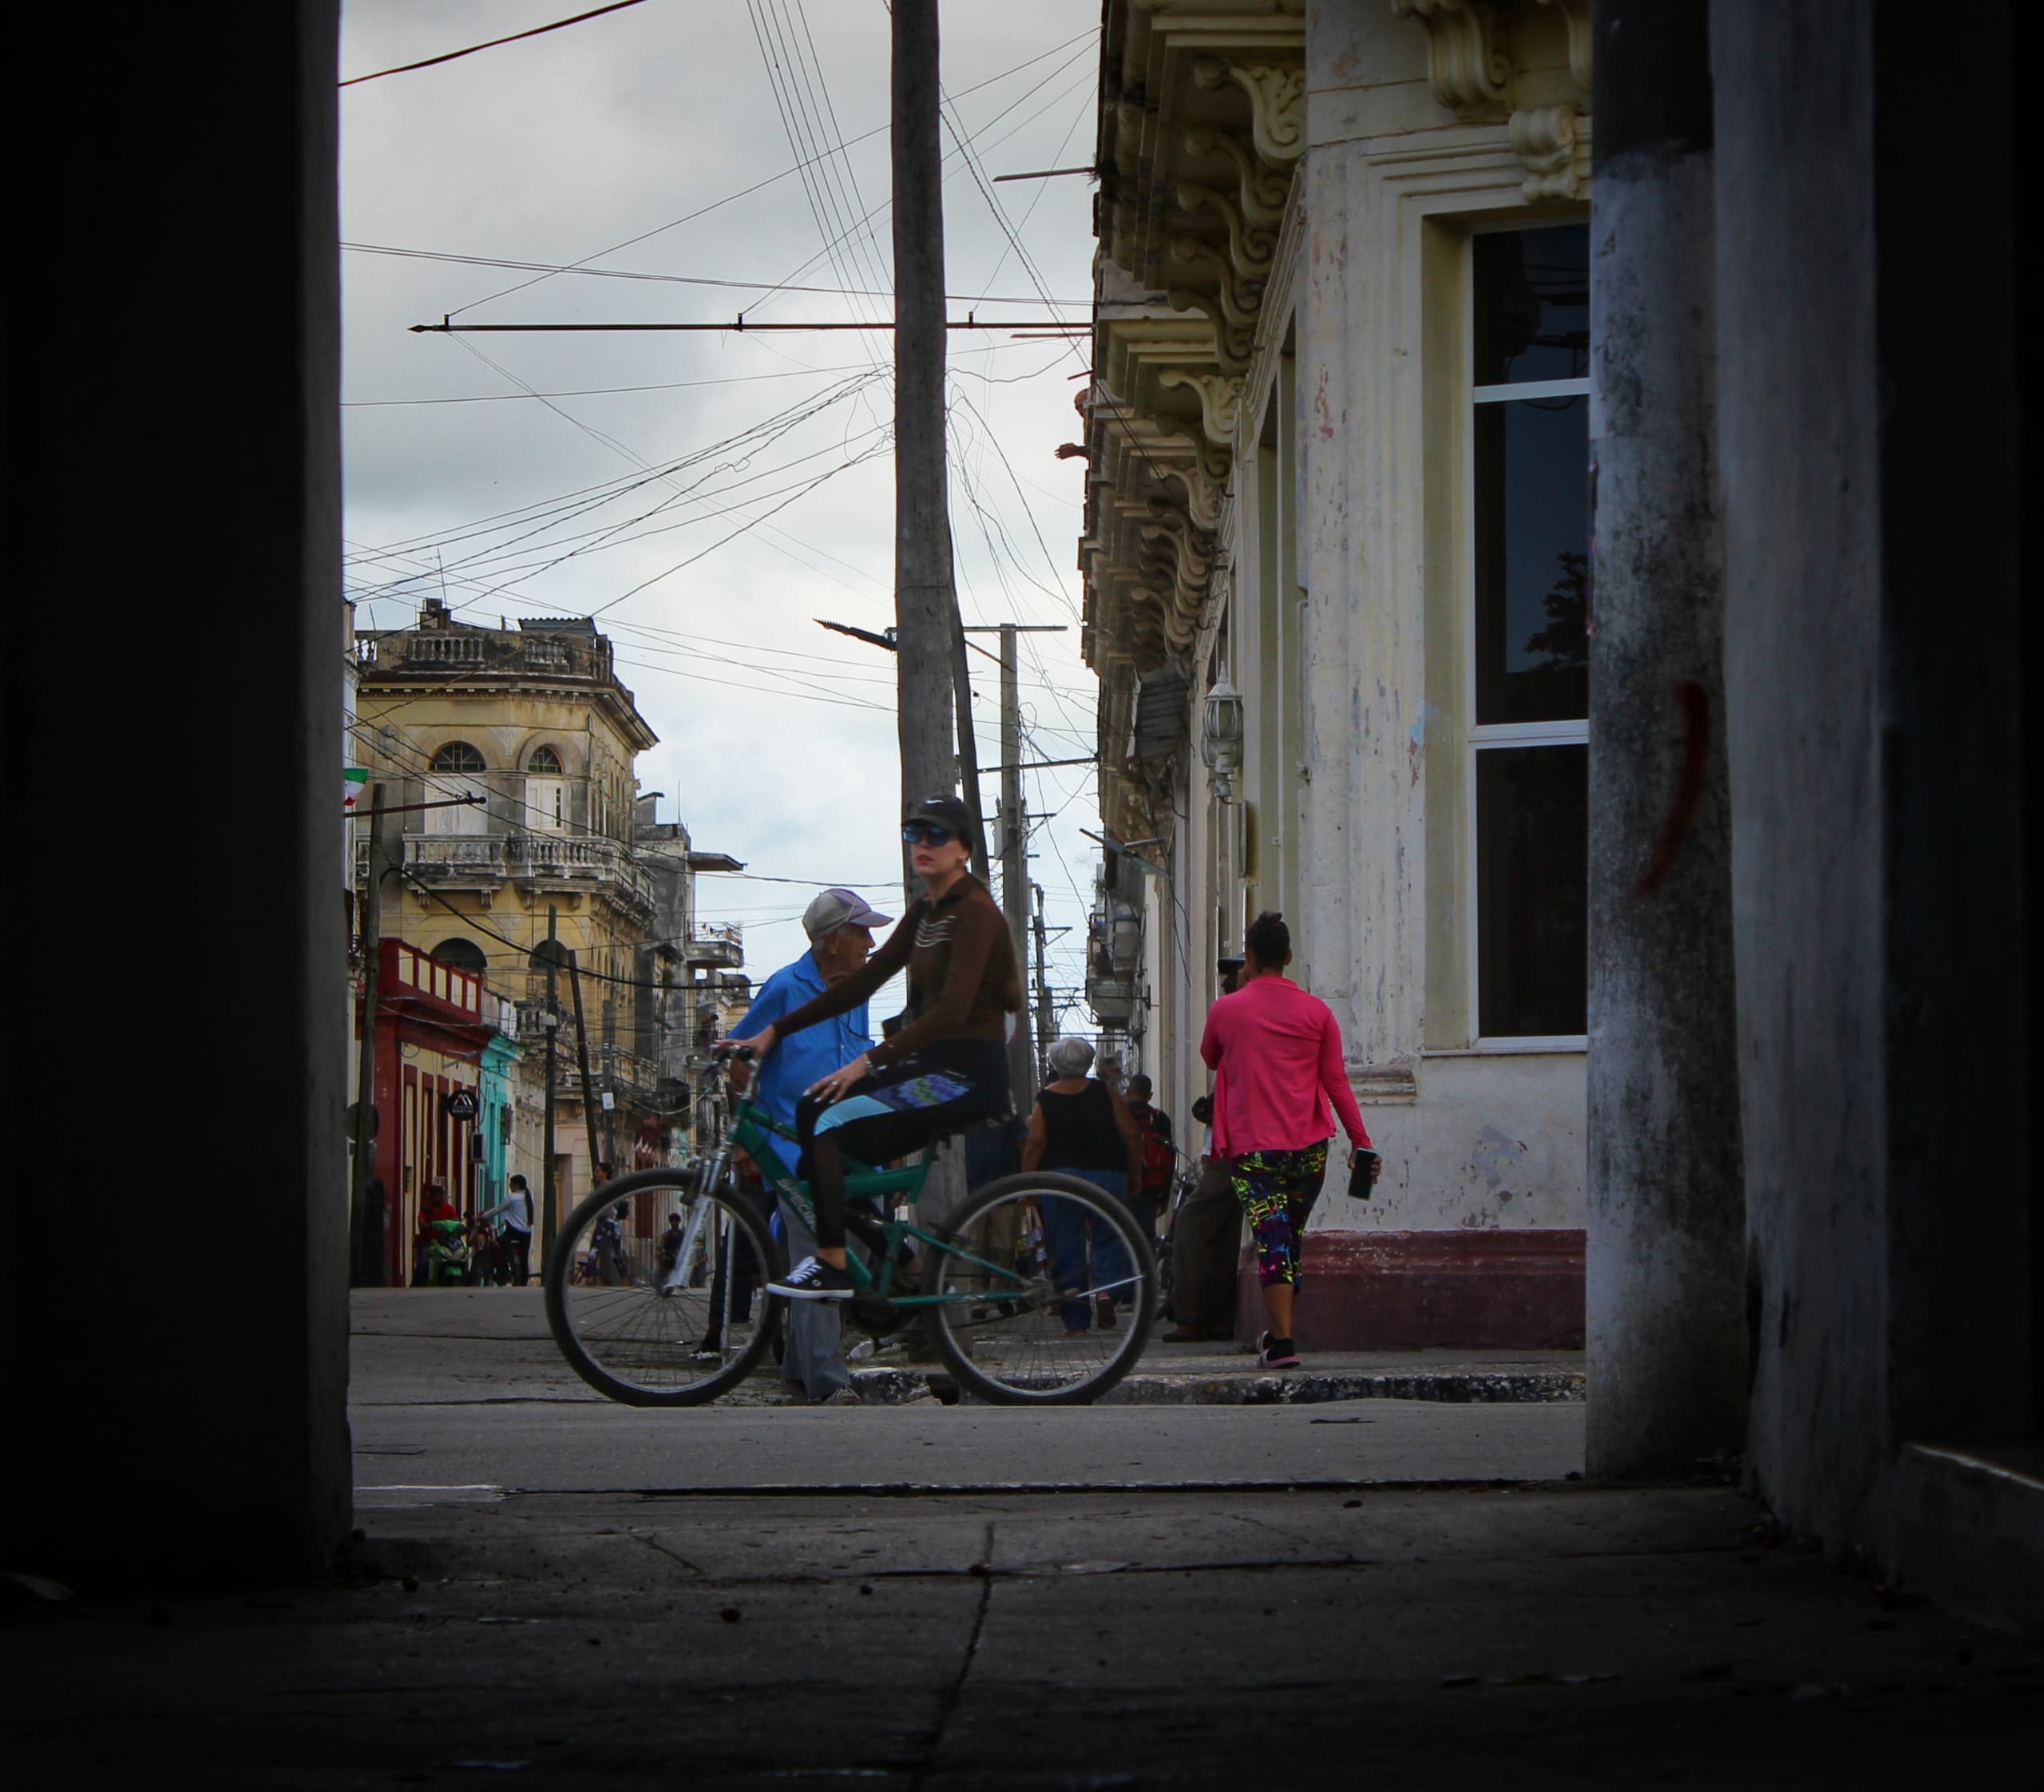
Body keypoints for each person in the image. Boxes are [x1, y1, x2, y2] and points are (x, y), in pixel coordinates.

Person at [725, 793, 1021, 1303]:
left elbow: (951, 1012)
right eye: (914, 834)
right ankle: (897, 1256)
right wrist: (774, 1031)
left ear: (964, 850)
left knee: (822, 1118)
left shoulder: (975, 913)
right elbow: (862, 983)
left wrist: (866, 1063)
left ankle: (834, 1262)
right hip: (928, 1069)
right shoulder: (927, 911)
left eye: (936, 836)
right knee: (813, 1157)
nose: (922, 845)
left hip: (962, 1078)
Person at [727, 885, 891, 1402]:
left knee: (855, 1249)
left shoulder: (857, 992)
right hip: (796, 1147)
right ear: (834, 939)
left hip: (850, 1141)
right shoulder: (785, 987)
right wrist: (755, 1128)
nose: (869, 941)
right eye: (861, 932)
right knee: (824, 1257)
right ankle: (828, 1382)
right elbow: (740, 1055)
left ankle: (801, 1369)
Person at [1199, 913, 1379, 1369]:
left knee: (1272, 1239)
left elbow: (1211, 1056)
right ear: (1290, 958)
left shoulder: (1227, 1009)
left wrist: (1237, 990)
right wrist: (1361, 1141)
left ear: (1251, 956)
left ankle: (1282, 1342)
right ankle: (1280, 1337)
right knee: (1288, 1240)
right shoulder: (1318, 1012)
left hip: (1254, 1150)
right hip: (1309, 1148)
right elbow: (1335, 1082)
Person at [1021, 1035, 1147, 1335]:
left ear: (1055, 1064)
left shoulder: (1046, 1098)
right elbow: (1131, 1134)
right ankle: (1106, 1293)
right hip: (1108, 1173)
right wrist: (1135, 1172)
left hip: (1061, 1178)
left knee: (1066, 1246)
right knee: (1110, 1235)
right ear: (1089, 1062)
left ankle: (1076, 1322)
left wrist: (1027, 1184)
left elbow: (1036, 1141)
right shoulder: (1106, 1093)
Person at [1163, 957, 1243, 1343]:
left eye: (1233, 979)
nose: (1226, 985)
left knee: (1192, 1228)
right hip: (1226, 1147)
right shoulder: (1235, 1025)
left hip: (1232, 1152)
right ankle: (1220, 1318)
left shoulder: (1235, 1019)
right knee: (1225, 1238)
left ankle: (1193, 1315)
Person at [1123, 1072, 1175, 1243]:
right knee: (1146, 1238)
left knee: (1122, 1237)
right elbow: (1170, 1156)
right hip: (1152, 1187)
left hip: (1124, 1184)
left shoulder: (1119, 1115)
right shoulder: (1161, 1119)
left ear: (1128, 1092)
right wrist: (1165, 1196)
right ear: (1150, 1095)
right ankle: (1147, 1268)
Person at [477, 1173, 534, 1287]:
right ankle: (524, 1282)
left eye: (511, 1184)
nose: (510, 1187)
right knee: (524, 1258)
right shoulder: (529, 1198)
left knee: (499, 1246)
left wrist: (483, 1217)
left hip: (513, 1232)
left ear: (517, 1185)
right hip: (527, 1233)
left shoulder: (512, 1198)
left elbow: (496, 1210)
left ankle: (501, 1273)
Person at [414, 1182, 459, 1287]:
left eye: (441, 1194)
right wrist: (425, 1224)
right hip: (430, 1242)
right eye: (437, 1194)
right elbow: (421, 1221)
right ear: (431, 1196)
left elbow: (455, 1221)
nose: (440, 1197)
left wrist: (459, 1226)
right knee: (423, 1263)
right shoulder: (426, 1209)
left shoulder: (449, 1208)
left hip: (446, 1242)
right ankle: (416, 1284)